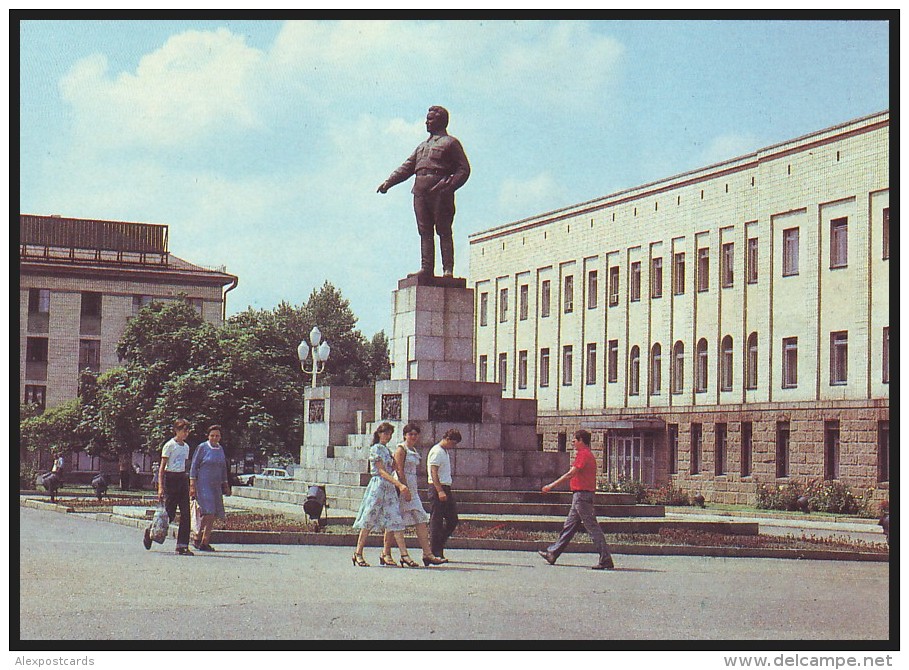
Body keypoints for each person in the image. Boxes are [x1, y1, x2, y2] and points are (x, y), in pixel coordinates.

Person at [377, 105, 470, 278]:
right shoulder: (421, 147)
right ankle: (426, 268)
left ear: (441, 121)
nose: (426, 122)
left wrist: (448, 186)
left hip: (440, 191)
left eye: (430, 119)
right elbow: (406, 167)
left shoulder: (450, 143)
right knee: (424, 231)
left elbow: (464, 169)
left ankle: (447, 269)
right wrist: (388, 183)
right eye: (427, 118)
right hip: (420, 192)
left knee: (443, 230)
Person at [537, 429, 615, 570]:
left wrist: (551, 486)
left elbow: (570, 474)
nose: (573, 441)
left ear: (581, 441)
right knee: (569, 526)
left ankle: (606, 559)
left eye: (575, 439)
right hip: (580, 496)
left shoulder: (583, 455)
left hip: (582, 497)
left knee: (592, 528)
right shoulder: (586, 454)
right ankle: (552, 553)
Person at [351, 422, 418, 567]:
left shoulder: (386, 450)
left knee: (395, 519)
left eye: (390, 434)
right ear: (379, 434)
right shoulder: (376, 449)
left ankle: (404, 555)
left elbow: (393, 467)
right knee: (369, 518)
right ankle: (358, 553)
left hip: (388, 487)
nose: (388, 436)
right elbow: (381, 470)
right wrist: (399, 484)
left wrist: (395, 461)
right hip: (378, 486)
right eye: (385, 433)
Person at [380, 423, 447, 567]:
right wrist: (404, 488)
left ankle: (427, 554)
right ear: (405, 435)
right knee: (395, 520)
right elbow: (399, 470)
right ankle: (386, 553)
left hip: (413, 487)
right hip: (402, 487)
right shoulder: (401, 449)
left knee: (420, 518)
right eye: (410, 434)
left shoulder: (413, 450)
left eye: (416, 434)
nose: (413, 437)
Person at [145, 419, 194, 555]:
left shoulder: (186, 447)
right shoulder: (169, 445)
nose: (185, 433)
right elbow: (162, 468)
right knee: (169, 513)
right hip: (170, 478)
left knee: (185, 513)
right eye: (183, 430)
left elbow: (184, 465)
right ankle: (151, 531)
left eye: (187, 431)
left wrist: (189, 484)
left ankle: (182, 545)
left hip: (181, 478)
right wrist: (160, 487)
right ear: (176, 431)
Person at [189, 424, 231, 552]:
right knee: (208, 512)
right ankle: (197, 536)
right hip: (202, 484)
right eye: (212, 435)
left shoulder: (220, 449)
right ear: (208, 436)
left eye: (217, 435)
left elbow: (223, 468)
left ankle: (204, 542)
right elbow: (194, 466)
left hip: (215, 485)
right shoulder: (202, 447)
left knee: (212, 514)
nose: (215, 438)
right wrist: (192, 485)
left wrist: (226, 485)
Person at [426, 428, 461, 562]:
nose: (453, 446)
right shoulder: (437, 451)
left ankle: (438, 545)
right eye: (452, 443)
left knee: (453, 519)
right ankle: (435, 552)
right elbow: (433, 472)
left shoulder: (444, 451)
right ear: (447, 439)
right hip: (437, 488)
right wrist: (439, 490)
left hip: (445, 487)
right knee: (437, 521)